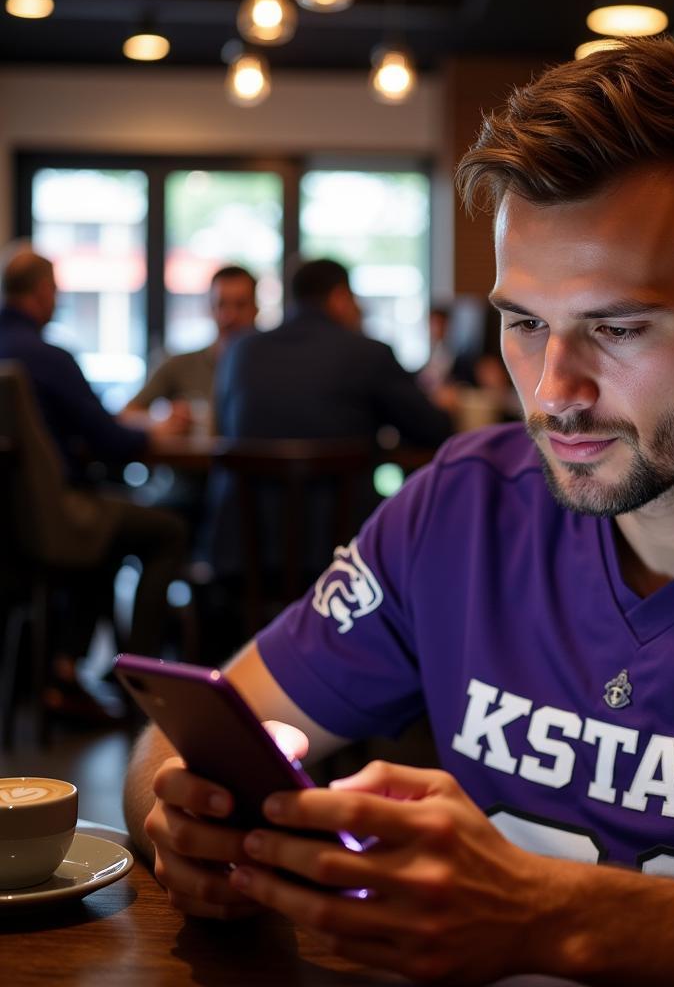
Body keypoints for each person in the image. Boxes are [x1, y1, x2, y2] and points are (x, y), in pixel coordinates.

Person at [124, 39, 674, 986]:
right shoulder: (460, 506)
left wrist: (549, 917)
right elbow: (184, 735)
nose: (554, 392)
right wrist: (182, 819)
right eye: (524, 325)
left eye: (618, 327)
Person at [0, 246, 188, 713]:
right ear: (44, 291)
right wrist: (157, 430)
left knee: (107, 534)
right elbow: (111, 439)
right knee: (167, 531)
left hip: (8, 526)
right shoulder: (44, 356)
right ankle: (140, 685)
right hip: (54, 517)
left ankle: (64, 672)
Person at [206, 257, 452, 579]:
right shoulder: (367, 353)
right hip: (345, 561)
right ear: (339, 298)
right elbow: (434, 430)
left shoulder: (240, 351)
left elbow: (223, 426)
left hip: (241, 553)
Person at [122, 264, 259, 433]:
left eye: (240, 305)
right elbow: (126, 414)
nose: (230, 316)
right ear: (210, 308)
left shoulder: (274, 368)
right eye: (221, 304)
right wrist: (161, 419)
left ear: (255, 309)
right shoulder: (180, 364)